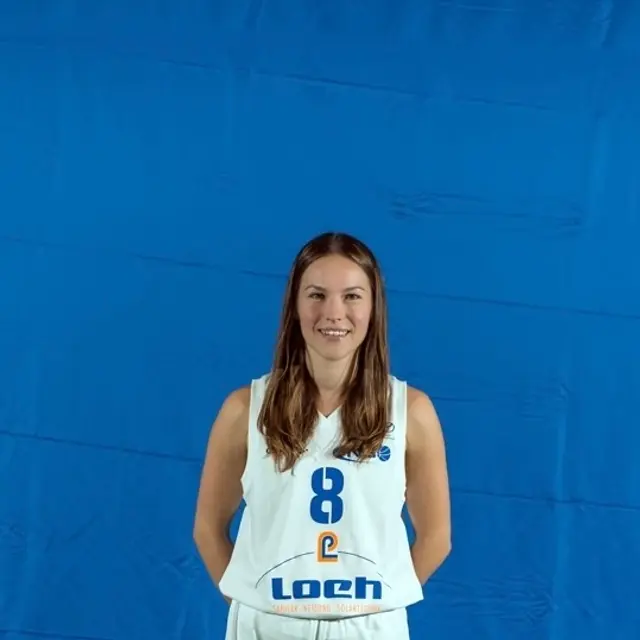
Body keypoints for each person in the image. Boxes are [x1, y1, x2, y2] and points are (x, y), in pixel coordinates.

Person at [193, 231, 451, 639]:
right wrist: (256, 604)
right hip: (267, 625)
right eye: (316, 295)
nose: (333, 313)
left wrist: (376, 606)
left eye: (352, 296)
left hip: (368, 628)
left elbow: (437, 537)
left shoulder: (410, 412)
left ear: (373, 307)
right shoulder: (245, 410)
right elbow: (207, 528)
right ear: (294, 306)